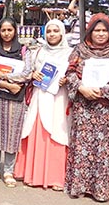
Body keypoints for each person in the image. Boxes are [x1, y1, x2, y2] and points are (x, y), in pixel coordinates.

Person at [64, 13, 109, 202]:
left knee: (105, 148)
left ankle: (104, 189)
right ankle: (81, 186)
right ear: (90, 32)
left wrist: (103, 91)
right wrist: (81, 88)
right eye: (96, 30)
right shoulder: (80, 49)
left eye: (104, 31)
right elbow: (69, 72)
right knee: (83, 146)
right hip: (84, 106)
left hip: (107, 108)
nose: (100, 34)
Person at [14, 19, 73, 191]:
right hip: (40, 96)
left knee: (57, 132)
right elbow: (28, 71)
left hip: (59, 98)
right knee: (38, 131)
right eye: (49, 31)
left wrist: (66, 80)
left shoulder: (70, 53)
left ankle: (55, 177)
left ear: (62, 33)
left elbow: (75, 74)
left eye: (56, 31)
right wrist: (34, 74)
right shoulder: (38, 51)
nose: (52, 34)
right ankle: (34, 174)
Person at [0, 17, 33, 187]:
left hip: (16, 99)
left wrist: (4, 76)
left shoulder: (24, 51)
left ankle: (9, 171)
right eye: (3, 30)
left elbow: (27, 73)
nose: (6, 33)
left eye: (9, 30)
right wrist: (7, 85)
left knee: (12, 134)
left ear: (15, 31)